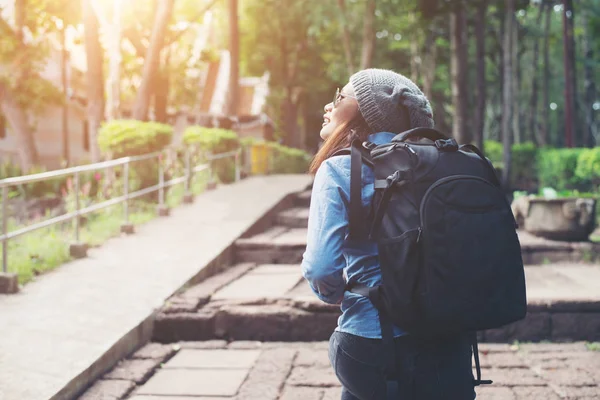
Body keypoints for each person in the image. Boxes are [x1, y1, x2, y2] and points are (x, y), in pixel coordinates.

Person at [301, 69, 476, 400]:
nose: (329, 104)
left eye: (340, 97)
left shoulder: (340, 168)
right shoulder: (441, 162)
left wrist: (338, 294)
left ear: (367, 111)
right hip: (448, 339)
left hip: (369, 341)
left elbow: (320, 267)